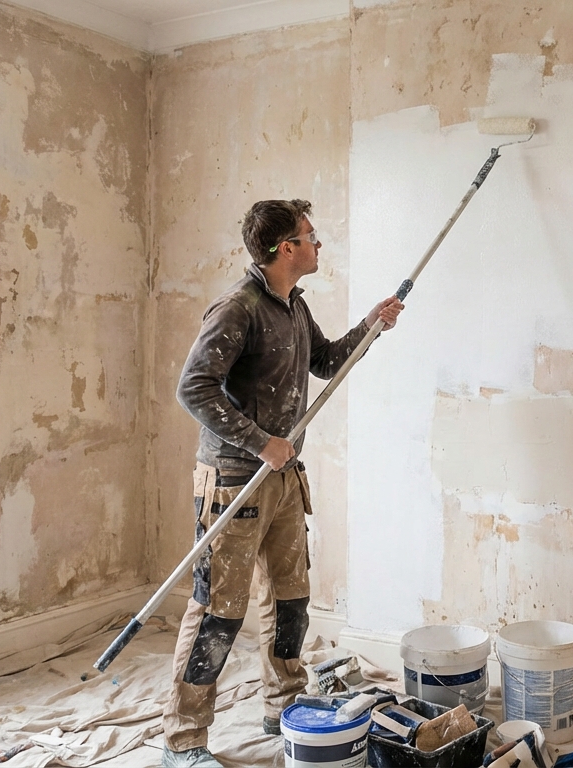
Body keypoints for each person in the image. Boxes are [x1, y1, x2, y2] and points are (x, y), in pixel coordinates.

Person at [161, 199, 404, 768]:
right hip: (233, 482)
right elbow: (194, 389)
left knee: (291, 599)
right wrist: (259, 442)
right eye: (310, 236)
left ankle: (284, 705)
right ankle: (184, 738)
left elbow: (325, 362)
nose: (319, 245)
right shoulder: (238, 309)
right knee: (218, 610)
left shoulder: (293, 305)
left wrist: (372, 326)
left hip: (283, 478)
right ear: (285, 249)